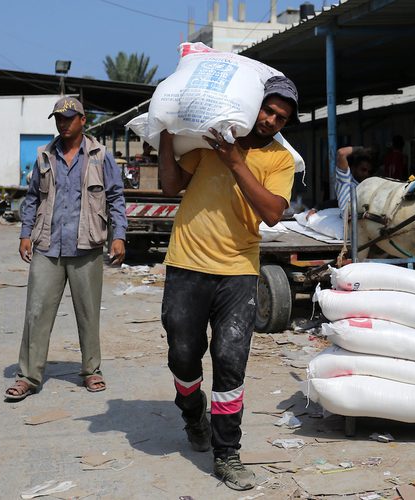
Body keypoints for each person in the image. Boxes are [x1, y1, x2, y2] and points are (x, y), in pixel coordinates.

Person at [157, 76, 298, 491]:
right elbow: (170, 186)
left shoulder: (279, 161)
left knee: (230, 359)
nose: (271, 121)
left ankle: (227, 453)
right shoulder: (209, 144)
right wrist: (166, 132)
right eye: (268, 111)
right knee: (183, 354)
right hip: (187, 262)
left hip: (238, 269)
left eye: (281, 118)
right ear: (253, 105)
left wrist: (236, 161)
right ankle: (192, 412)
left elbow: (272, 213)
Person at [5, 97, 127, 401]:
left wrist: (119, 235)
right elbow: (32, 197)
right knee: (36, 311)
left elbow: (115, 197)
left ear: (83, 120)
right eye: (59, 118)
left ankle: (91, 371)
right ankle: (28, 376)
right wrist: (25, 233)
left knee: (88, 313)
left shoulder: (99, 156)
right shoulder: (45, 155)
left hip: (86, 245)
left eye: (69, 118)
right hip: (48, 245)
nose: (63, 123)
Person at [335, 145, 374, 211]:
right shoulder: (345, 180)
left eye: (369, 171)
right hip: (350, 220)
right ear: (353, 168)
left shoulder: (368, 185)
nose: (366, 174)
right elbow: (341, 153)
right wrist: (362, 149)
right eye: (363, 170)